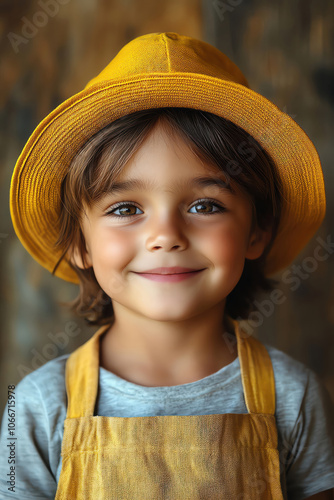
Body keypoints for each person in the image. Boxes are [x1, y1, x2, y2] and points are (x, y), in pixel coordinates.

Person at [1, 32, 333, 499]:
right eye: (124, 209)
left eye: (204, 205)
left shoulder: (293, 396)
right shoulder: (32, 404)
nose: (166, 236)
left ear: (256, 231)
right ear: (80, 242)